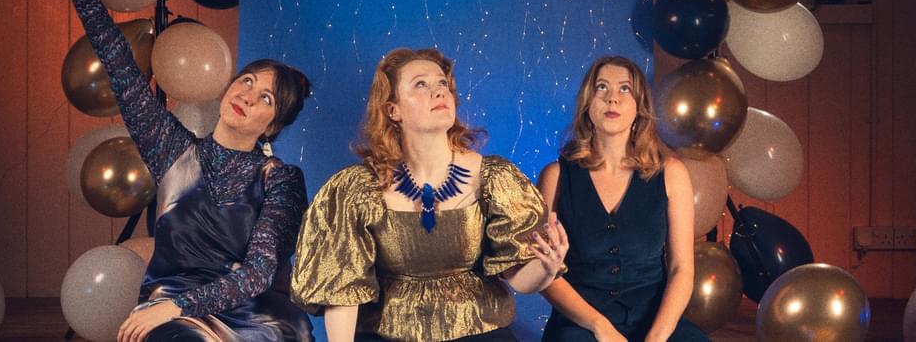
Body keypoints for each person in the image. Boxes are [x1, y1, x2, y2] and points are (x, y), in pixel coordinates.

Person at [44, 0, 314, 341]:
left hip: (251, 314)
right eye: (247, 81)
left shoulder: (281, 180)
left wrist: (177, 307)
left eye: (265, 98)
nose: (247, 96)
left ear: (272, 126)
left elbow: (258, 275)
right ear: (229, 86)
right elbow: (120, 66)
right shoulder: (173, 150)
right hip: (168, 305)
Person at [290, 48, 569, 341]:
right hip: (387, 336)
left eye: (442, 83)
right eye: (420, 84)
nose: (439, 92)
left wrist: (546, 268)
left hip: (479, 332)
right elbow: (342, 294)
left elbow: (520, 280)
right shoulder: (356, 189)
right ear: (393, 110)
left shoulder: (495, 178)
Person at [538, 56, 709, 342]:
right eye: (602, 87)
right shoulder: (555, 176)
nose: (612, 98)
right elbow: (544, 273)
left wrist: (656, 337)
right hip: (581, 324)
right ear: (587, 103)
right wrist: (600, 327)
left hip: (654, 321)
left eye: (624, 89)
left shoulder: (671, 173)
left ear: (640, 106)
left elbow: (681, 269)